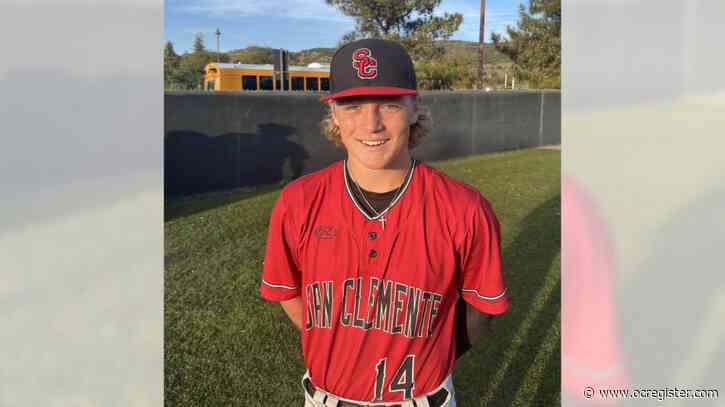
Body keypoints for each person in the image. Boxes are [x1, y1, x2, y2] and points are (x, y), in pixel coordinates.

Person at [260, 38, 509, 407]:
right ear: (335, 114)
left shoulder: (465, 208)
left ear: (414, 110)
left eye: (389, 105)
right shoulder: (298, 200)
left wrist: (431, 352)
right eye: (353, 105)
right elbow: (289, 293)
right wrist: (336, 339)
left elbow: (481, 312)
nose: (371, 124)